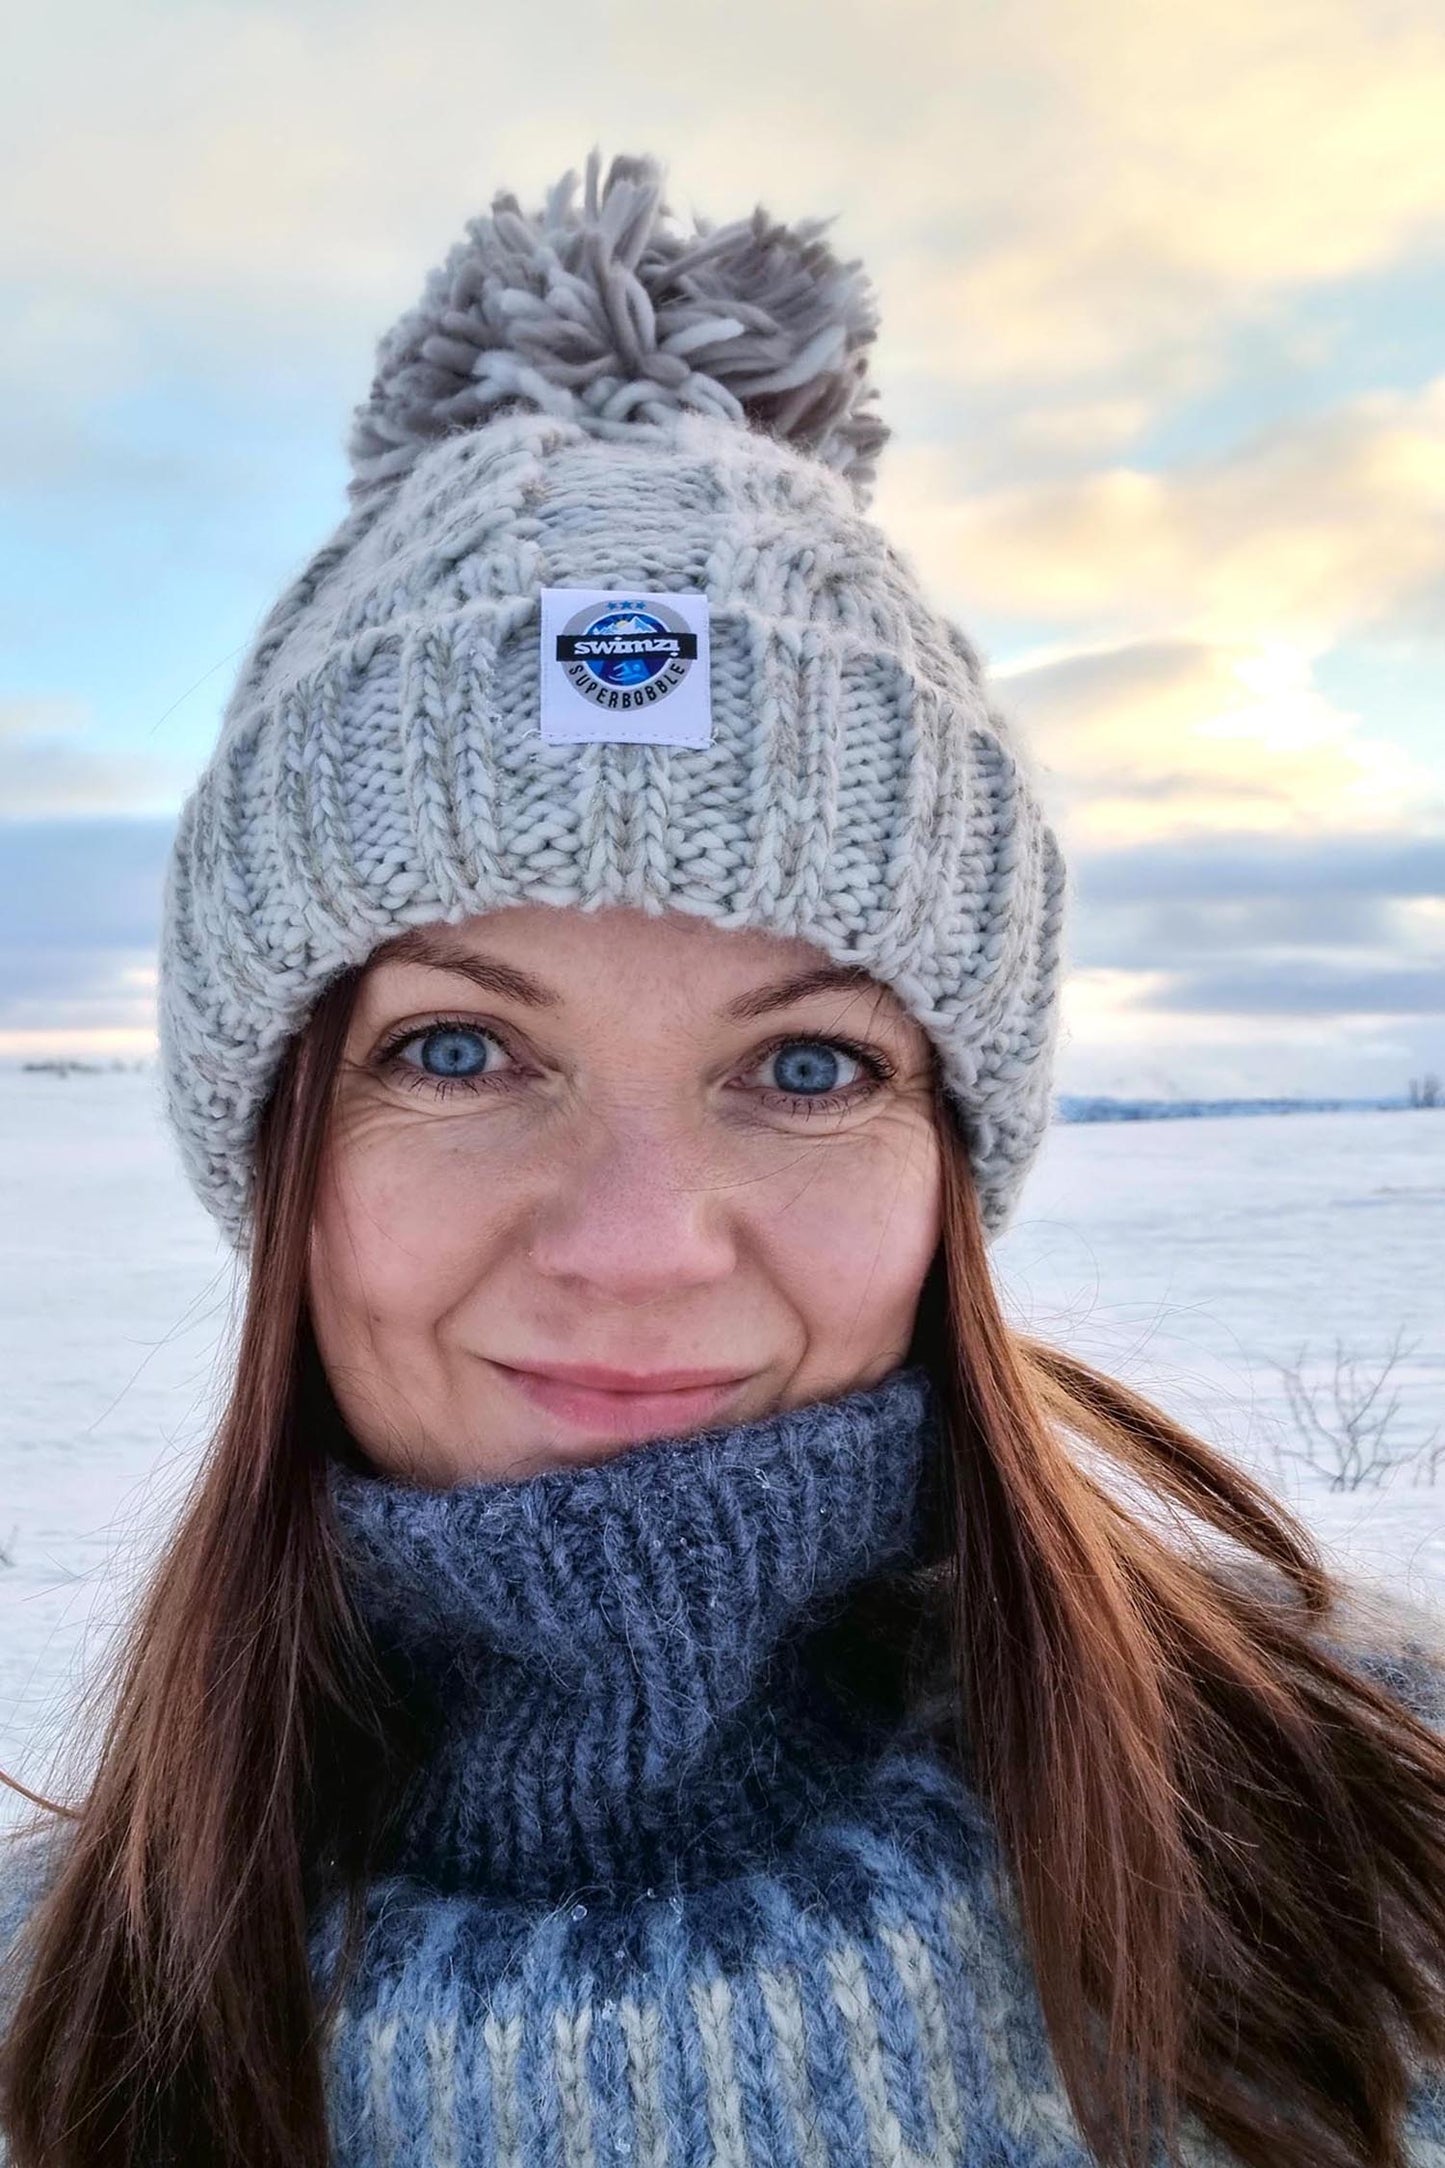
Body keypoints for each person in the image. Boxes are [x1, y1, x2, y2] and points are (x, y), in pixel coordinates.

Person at [2, 145, 1443, 2168]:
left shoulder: (1390, 1855)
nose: (642, 1245)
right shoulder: (44, 2044)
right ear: (280, 1137)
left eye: (811, 1066)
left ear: (952, 1156)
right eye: (456, 1044)